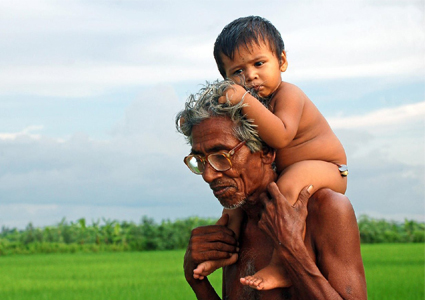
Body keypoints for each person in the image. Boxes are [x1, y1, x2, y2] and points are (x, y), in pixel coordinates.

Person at [193, 16, 349, 290]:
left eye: (259, 63)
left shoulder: (290, 94)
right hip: (291, 171)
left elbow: (280, 135)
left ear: (283, 61)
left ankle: (282, 263)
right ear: (226, 79)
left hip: (326, 167)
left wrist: (239, 97)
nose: (250, 75)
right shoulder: (254, 104)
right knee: (235, 207)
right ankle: (224, 249)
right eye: (237, 72)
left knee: (286, 187)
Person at [176, 80, 367, 299]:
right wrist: (196, 280)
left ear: (266, 151)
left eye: (222, 156)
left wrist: (293, 252)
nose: (208, 175)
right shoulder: (236, 227)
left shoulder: (327, 209)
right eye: (199, 160)